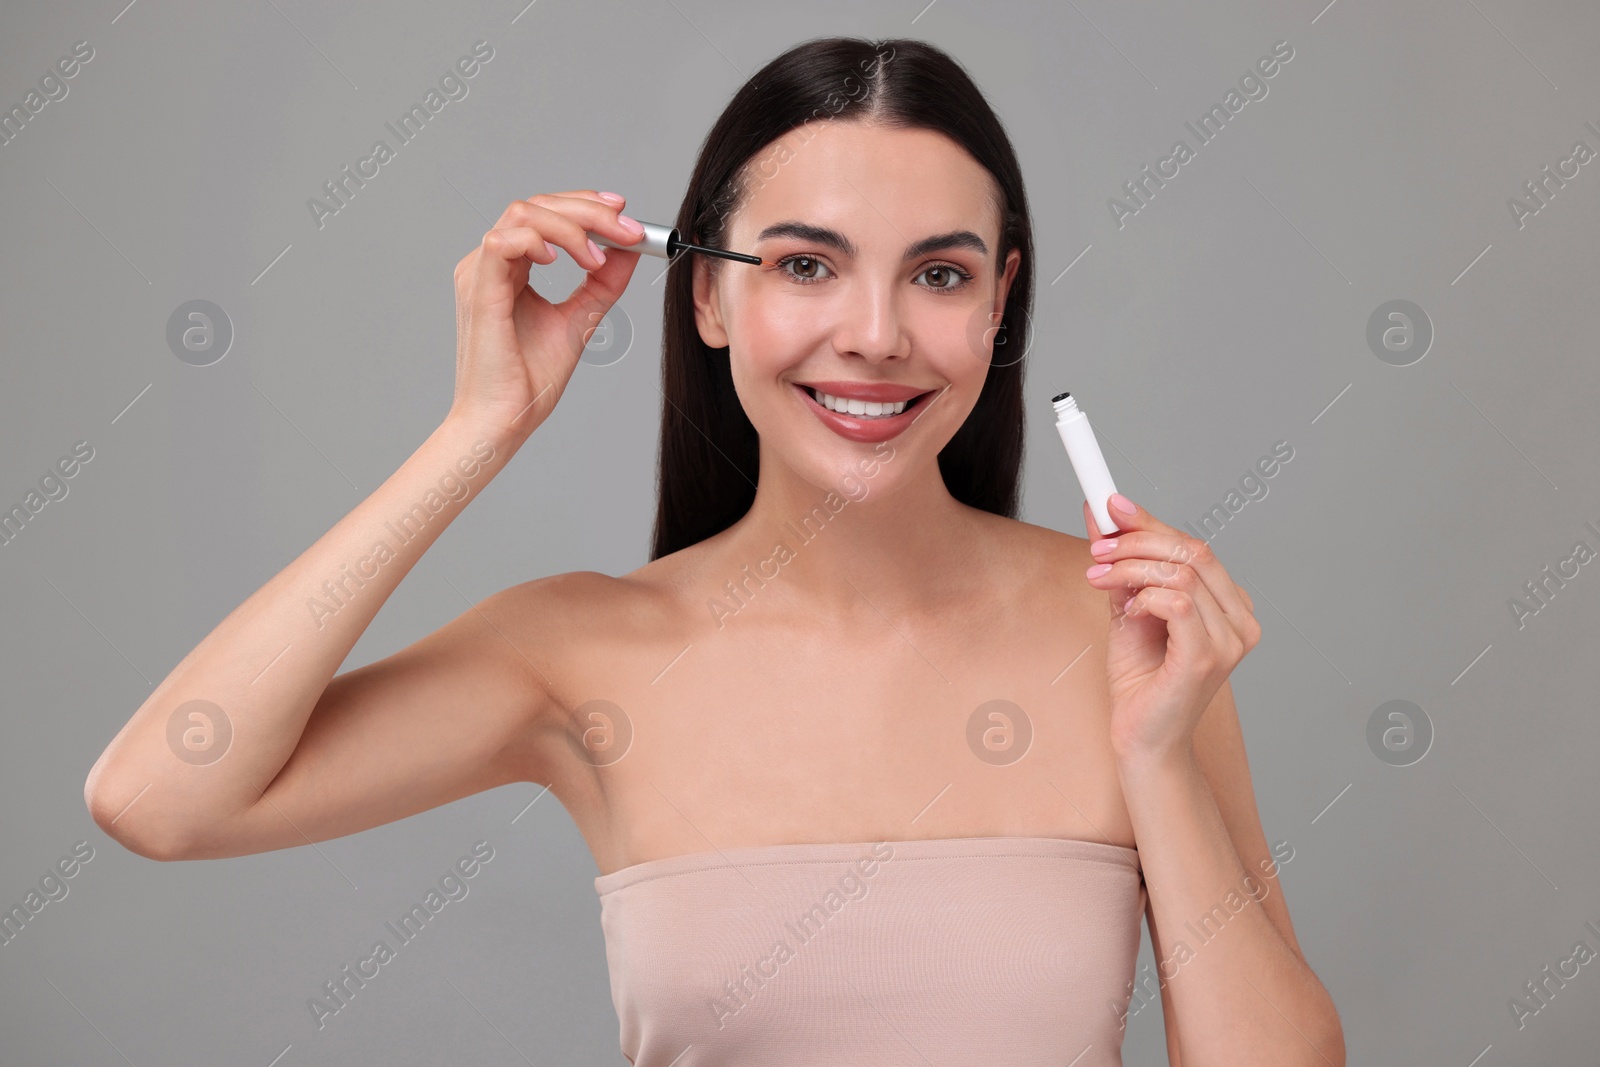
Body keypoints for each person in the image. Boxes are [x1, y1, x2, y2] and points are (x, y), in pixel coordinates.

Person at [85, 35, 1343, 1066]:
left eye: (940, 277)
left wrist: (1156, 754)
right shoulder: (577, 651)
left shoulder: (1124, 632)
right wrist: (480, 428)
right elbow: (159, 797)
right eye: (806, 264)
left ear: (999, 302)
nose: (876, 332)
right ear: (705, 293)